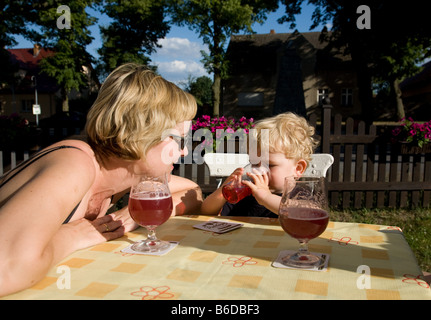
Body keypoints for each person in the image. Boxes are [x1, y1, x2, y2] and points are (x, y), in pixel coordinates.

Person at [0, 63, 202, 297]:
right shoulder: (75, 163)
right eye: (179, 140)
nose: (184, 152)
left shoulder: (126, 177)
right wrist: (71, 236)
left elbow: (194, 193)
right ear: (140, 133)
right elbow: (8, 267)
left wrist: (131, 215)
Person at [201, 112, 318, 217]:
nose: (259, 171)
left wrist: (266, 198)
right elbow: (206, 211)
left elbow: (309, 214)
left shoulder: (299, 195)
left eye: (270, 165)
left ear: (298, 168)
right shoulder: (246, 194)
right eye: (254, 163)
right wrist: (223, 191)